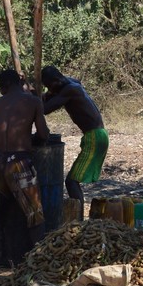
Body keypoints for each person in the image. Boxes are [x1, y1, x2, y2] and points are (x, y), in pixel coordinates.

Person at [0, 69, 51, 265]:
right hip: (19, 163)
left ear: (5, 86)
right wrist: (32, 140)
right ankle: (40, 256)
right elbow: (44, 134)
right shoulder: (33, 102)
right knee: (34, 212)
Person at [41, 65, 107, 220]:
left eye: (50, 86)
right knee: (72, 181)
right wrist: (43, 93)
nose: (49, 90)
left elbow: (44, 109)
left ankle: (78, 222)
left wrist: (32, 99)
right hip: (95, 136)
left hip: (95, 138)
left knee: (71, 182)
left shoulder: (70, 90)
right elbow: (49, 95)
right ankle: (79, 220)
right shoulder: (71, 82)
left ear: (56, 81)